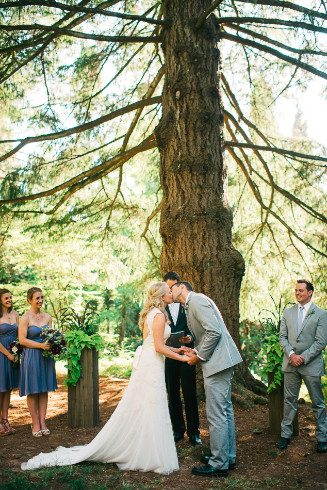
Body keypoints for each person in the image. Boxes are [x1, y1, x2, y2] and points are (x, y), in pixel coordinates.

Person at [21, 282, 190, 473]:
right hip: (152, 365)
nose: (171, 293)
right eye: (168, 292)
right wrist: (182, 357)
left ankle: (146, 449)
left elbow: (152, 343)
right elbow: (158, 347)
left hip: (150, 363)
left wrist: (178, 348)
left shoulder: (153, 314)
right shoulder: (158, 316)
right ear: (161, 296)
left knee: (148, 405)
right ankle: (149, 453)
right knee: (151, 404)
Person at [171, 281, 242, 478]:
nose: (170, 292)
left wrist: (199, 356)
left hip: (218, 362)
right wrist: (193, 347)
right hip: (220, 361)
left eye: (172, 288)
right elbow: (207, 334)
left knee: (216, 413)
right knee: (225, 410)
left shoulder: (196, 301)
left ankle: (219, 464)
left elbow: (214, 331)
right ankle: (227, 457)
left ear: (182, 288)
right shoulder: (191, 304)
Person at [277, 279, 327, 453]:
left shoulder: (320, 313)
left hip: (311, 365)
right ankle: (285, 435)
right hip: (290, 363)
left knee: (317, 402)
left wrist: (302, 358)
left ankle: (322, 437)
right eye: (296, 290)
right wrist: (291, 355)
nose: (297, 293)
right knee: (289, 401)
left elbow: (321, 342)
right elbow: (282, 337)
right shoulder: (288, 312)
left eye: (301, 291)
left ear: (310, 292)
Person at [163, 271, 201, 445]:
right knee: (173, 394)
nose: (170, 291)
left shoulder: (188, 304)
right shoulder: (162, 307)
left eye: (173, 287)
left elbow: (195, 328)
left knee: (190, 392)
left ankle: (194, 433)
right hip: (169, 356)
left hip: (187, 354)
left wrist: (190, 339)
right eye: (168, 287)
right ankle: (177, 430)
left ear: (179, 286)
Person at [19, 287, 56, 437]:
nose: (40, 300)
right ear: (29, 300)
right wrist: (40, 345)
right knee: (33, 390)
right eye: (37, 298)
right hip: (32, 356)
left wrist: (55, 345)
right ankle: (35, 423)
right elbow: (22, 340)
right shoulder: (25, 318)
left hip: (46, 357)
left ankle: (43, 421)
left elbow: (52, 337)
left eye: (41, 297)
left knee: (44, 389)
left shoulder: (47, 317)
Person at [0, 289, 19, 436]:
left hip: (14, 354)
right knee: (0, 388)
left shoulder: (15, 314)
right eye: (6, 298)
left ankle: (6, 420)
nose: (9, 300)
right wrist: (8, 355)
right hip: (2, 355)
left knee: (8, 388)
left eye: (10, 297)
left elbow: (19, 335)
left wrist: (18, 352)